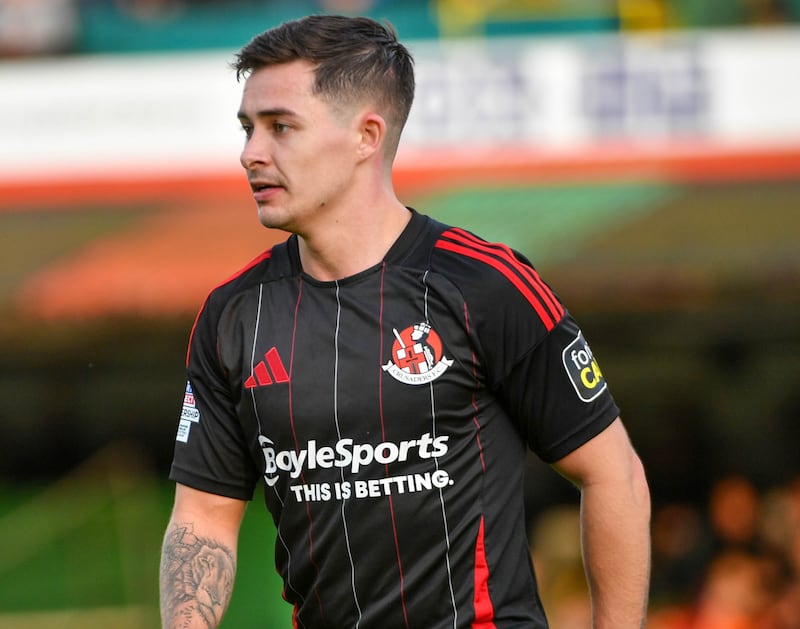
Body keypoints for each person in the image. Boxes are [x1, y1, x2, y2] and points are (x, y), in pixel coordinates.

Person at [159, 14, 651, 629]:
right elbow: (202, 515)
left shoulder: (485, 286)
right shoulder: (233, 314)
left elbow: (613, 475)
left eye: (280, 127)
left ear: (367, 135)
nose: (251, 153)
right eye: (247, 128)